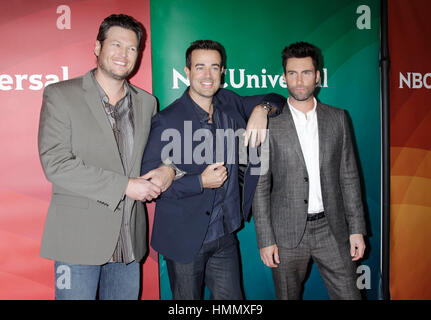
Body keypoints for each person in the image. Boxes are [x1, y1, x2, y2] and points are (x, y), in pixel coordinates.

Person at [38, 14, 175, 300]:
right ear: (98, 48)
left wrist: (169, 170)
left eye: (132, 48)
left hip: (128, 242)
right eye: (115, 44)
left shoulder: (147, 102)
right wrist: (125, 186)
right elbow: (56, 163)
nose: (123, 54)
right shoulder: (61, 95)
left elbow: (158, 155)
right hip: (77, 241)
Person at [140, 40, 285, 300]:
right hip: (184, 239)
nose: (207, 75)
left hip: (224, 236)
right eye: (200, 67)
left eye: (214, 67)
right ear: (187, 72)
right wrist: (199, 182)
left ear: (222, 72)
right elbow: (149, 184)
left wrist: (262, 111)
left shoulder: (229, 102)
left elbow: (277, 99)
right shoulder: (166, 120)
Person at [252, 42, 367, 300]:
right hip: (286, 234)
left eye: (306, 72)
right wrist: (265, 238)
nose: (299, 80)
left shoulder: (338, 118)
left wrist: (356, 228)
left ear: (317, 76)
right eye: (292, 73)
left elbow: (349, 177)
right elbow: (260, 185)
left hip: (332, 228)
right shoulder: (269, 123)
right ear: (283, 78)